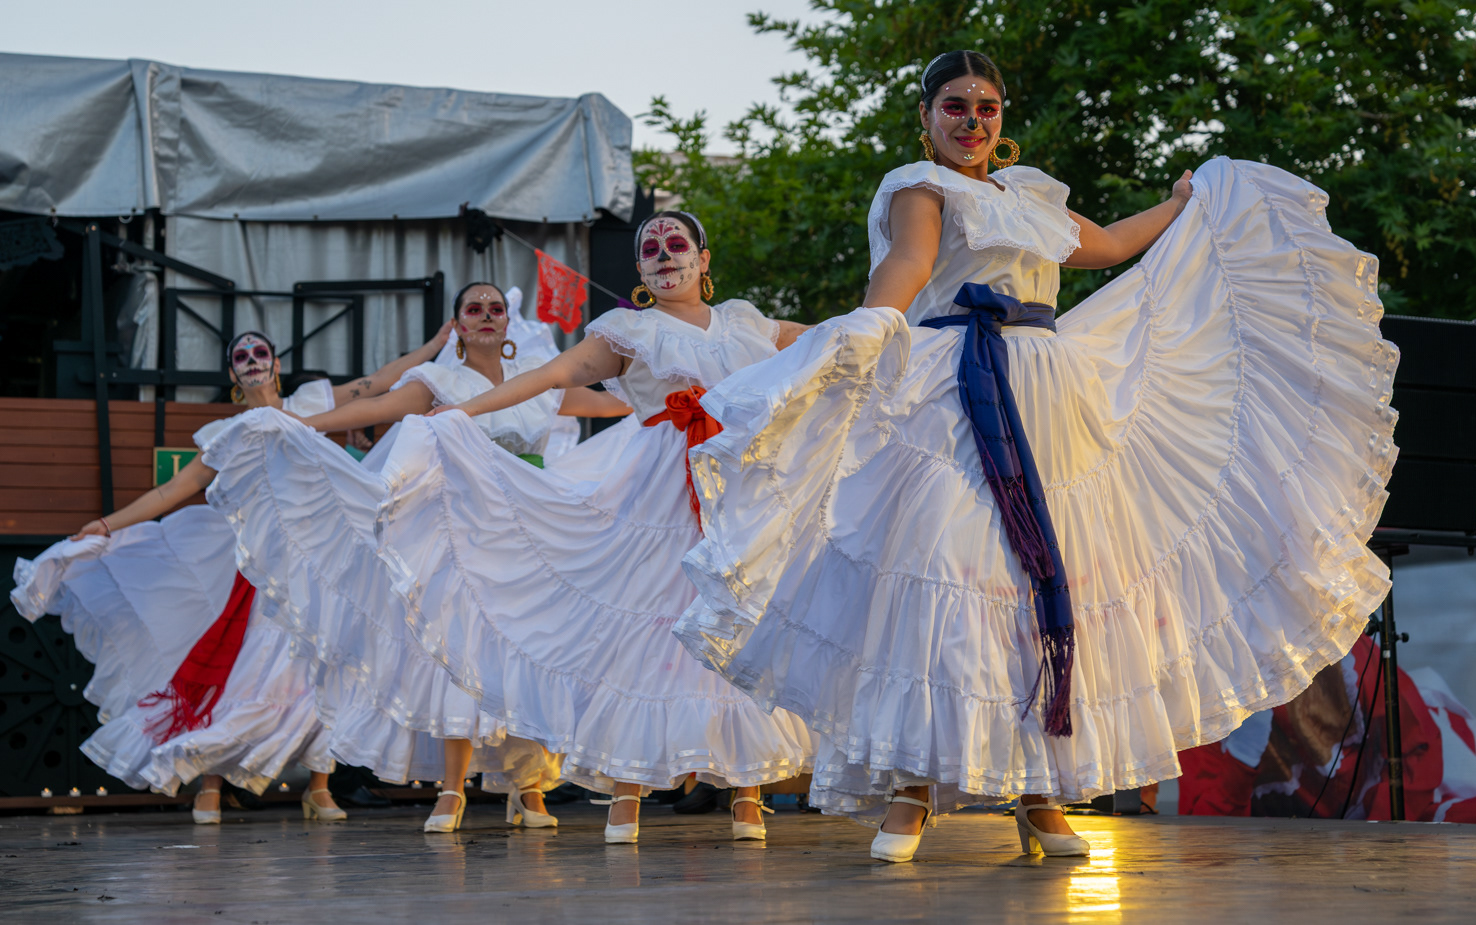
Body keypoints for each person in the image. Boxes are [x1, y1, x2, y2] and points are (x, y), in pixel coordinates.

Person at [674, 49, 1399, 862]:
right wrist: (868, 328)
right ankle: (914, 787)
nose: (972, 120)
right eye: (954, 105)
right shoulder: (922, 186)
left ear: (1002, 118)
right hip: (953, 390)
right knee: (945, 571)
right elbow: (908, 267)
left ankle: (1042, 793)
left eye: (986, 106)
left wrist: (1181, 203)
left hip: (1048, 396)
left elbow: (1109, 244)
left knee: (1047, 584)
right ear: (926, 116)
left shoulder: (1029, 194)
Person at [376, 213, 817, 844]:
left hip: (738, 479)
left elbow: (831, 337)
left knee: (738, 616)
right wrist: (464, 412)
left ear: (704, 258)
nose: (664, 255)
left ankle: (748, 793)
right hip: (659, 484)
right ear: (639, 271)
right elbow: (552, 376)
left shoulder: (747, 321)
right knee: (646, 623)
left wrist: (912, 325)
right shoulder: (628, 330)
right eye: (650, 249)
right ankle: (627, 792)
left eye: (676, 245)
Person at [203, 282, 631, 832]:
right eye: (473, 309)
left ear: (506, 322)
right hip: (465, 533)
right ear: (457, 324)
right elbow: (376, 404)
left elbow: (616, 401)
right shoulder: (438, 382)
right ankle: (452, 790)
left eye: (494, 309)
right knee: (463, 651)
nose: (485, 316)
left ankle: (528, 788)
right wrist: (293, 424)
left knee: (532, 653)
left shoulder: (537, 381)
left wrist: (673, 385)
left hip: (530, 535)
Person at [11, 324, 451, 823]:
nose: (252, 358)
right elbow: (170, 492)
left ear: (276, 364)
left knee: (329, 670)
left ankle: (320, 787)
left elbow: (378, 382)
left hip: (325, 566)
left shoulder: (313, 406)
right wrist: (109, 524)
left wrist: (436, 348)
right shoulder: (227, 434)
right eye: (241, 356)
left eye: (260, 351)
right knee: (246, 677)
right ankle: (210, 783)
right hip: (260, 573)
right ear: (233, 376)